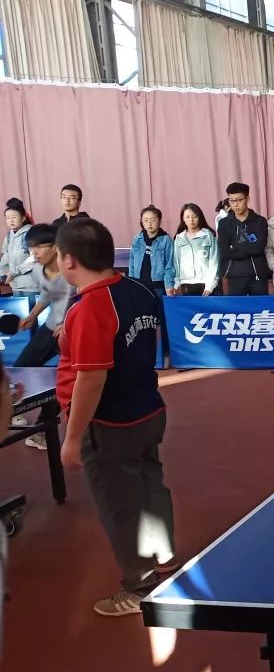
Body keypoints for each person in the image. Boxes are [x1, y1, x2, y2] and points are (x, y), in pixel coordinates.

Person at [55, 218, 176, 617]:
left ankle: (138, 586)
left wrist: (73, 438)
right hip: (148, 410)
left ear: (68, 260)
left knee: (120, 504)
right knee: (151, 486)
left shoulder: (89, 307)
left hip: (110, 425)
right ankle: (164, 557)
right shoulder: (139, 291)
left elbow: (91, 379)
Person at [13, 224, 74, 450]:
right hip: (50, 328)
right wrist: (32, 316)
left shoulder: (71, 268)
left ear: (55, 246)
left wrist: (67, 323)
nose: (34, 252)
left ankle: (41, 432)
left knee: (65, 381)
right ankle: (11, 410)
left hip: (71, 332)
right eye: (31, 248)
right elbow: (48, 294)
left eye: (39, 247)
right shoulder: (39, 270)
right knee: (22, 366)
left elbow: (83, 298)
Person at [217, 182, 270, 295]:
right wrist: (249, 248)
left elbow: (259, 248)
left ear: (247, 198)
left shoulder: (259, 221)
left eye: (239, 200)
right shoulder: (224, 223)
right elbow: (224, 251)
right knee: (236, 306)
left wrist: (235, 246)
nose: (235, 204)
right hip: (234, 275)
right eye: (231, 200)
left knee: (260, 306)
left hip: (257, 274)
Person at [129, 206, 176, 296]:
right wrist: (131, 282)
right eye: (146, 220)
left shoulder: (166, 240)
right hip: (139, 284)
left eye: (153, 220)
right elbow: (132, 263)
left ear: (159, 221)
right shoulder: (137, 239)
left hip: (158, 286)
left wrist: (169, 285)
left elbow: (170, 266)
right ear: (141, 221)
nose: (149, 223)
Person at [172, 203, 218, 296]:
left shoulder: (208, 236)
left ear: (200, 217)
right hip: (186, 282)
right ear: (183, 219)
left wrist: (210, 285)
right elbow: (176, 262)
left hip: (205, 283)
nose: (191, 220)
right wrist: (176, 283)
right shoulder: (179, 238)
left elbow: (214, 261)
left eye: (194, 216)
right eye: (187, 217)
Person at [0, 199, 35, 297]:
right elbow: (6, 258)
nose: (10, 221)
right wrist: (3, 274)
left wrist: (15, 271)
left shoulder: (30, 233)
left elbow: (34, 258)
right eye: (7, 218)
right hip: (15, 286)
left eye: (14, 217)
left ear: (23, 218)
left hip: (31, 286)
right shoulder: (9, 236)